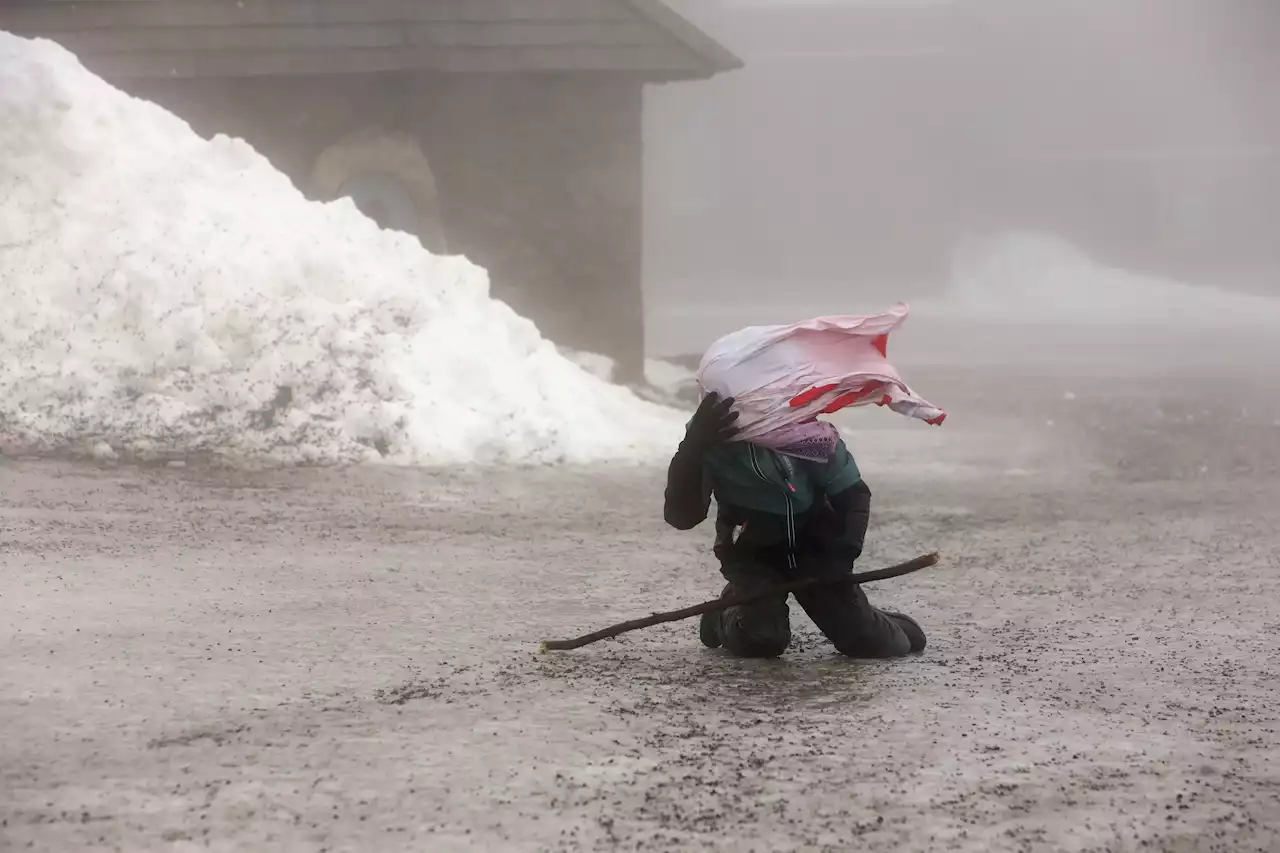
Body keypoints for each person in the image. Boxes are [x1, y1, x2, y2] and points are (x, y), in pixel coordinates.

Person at [664, 392, 927, 659]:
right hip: (753, 555)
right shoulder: (712, 441)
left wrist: (841, 556)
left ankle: (870, 618)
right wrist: (692, 450)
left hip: (816, 550)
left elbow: (852, 496)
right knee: (762, 639)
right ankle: (723, 613)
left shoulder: (808, 434)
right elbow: (682, 517)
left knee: (866, 641)